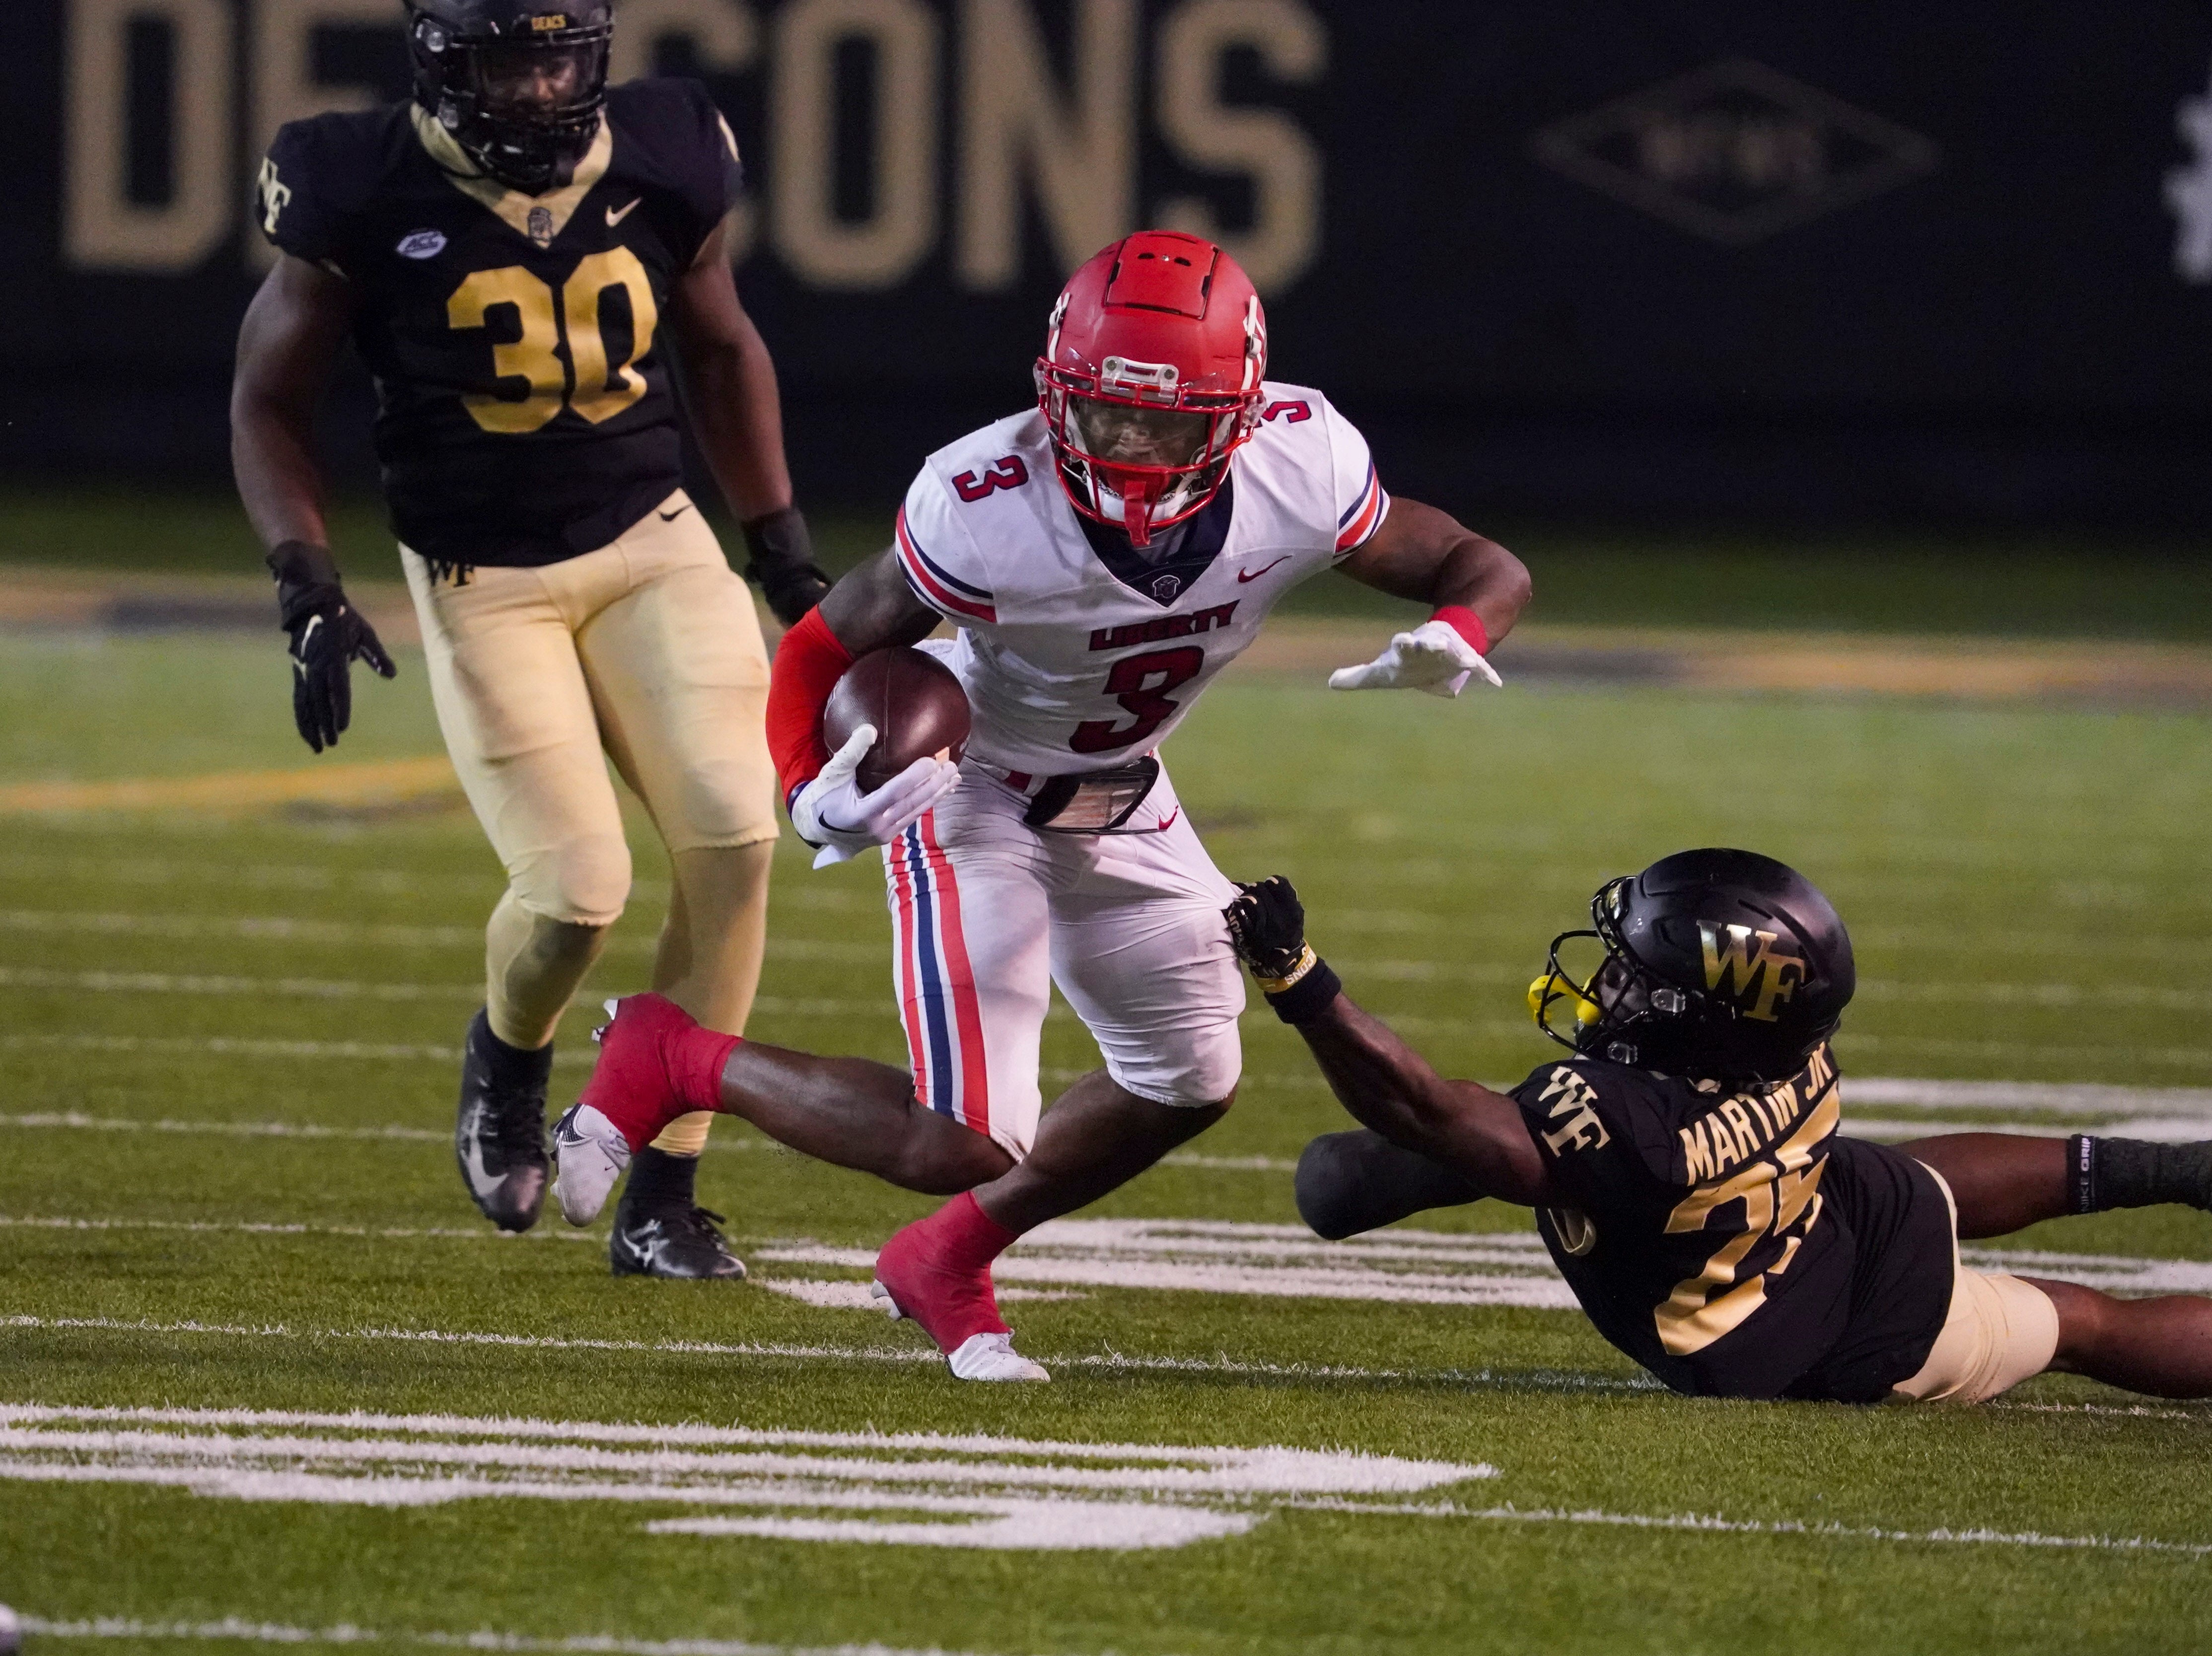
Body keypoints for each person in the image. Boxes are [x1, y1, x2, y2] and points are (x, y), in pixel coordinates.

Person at [550, 227, 1533, 1379]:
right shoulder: (986, 504)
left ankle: (943, 1262)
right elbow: (823, 643)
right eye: (1105, 414)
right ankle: (669, 1059)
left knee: (1189, 1079)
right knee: (961, 1136)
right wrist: (804, 790)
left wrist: (1459, 632)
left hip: (1124, 790)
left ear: (1242, 415)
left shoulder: (1300, 466)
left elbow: (1477, 560)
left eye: (1166, 425)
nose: (1128, 451)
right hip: (971, 791)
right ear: (1053, 393)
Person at [229, 0, 830, 1278]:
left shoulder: (667, 147)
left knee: (733, 835)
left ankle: (663, 1188)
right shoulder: (357, 181)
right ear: (443, 65)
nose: (543, 86)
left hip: (654, 542)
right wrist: (307, 580)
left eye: (563, 54)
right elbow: (269, 398)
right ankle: (507, 1056)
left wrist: (777, 544)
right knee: (574, 892)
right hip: (481, 575)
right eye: (511, 59)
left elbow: (722, 345)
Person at [1221, 849, 2212, 1402]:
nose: (1608, 981)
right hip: (1801, 1203)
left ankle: (2164, 1192)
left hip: (1810, 1333)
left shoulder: (1619, 1126)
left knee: (2085, 1321)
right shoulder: (1790, 1035)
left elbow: (1399, 1124)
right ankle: (2180, 1171)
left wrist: (1301, 982)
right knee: (1886, 1183)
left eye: (1636, 975)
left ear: (1696, 1013)